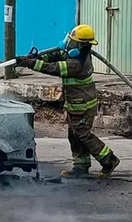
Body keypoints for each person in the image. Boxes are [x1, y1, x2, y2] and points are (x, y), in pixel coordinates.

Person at [15, 24, 121, 179]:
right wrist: (38, 57)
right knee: (74, 135)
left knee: (83, 135)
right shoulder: (77, 55)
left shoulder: (76, 64)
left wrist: (29, 63)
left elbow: (53, 68)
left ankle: (109, 160)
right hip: (75, 104)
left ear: (81, 44)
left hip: (83, 106)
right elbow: (56, 56)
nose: (69, 43)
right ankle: (81, 166)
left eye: (72, 41)